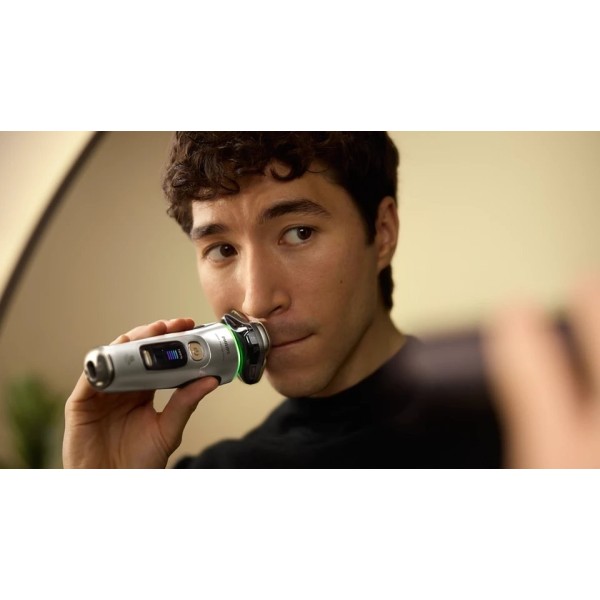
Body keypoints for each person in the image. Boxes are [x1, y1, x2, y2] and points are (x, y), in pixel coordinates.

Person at [62, 132, 598, 468]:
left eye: (298, 233)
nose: (255, 299)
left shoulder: (551, 421)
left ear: (381, 232)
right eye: (222, 249)